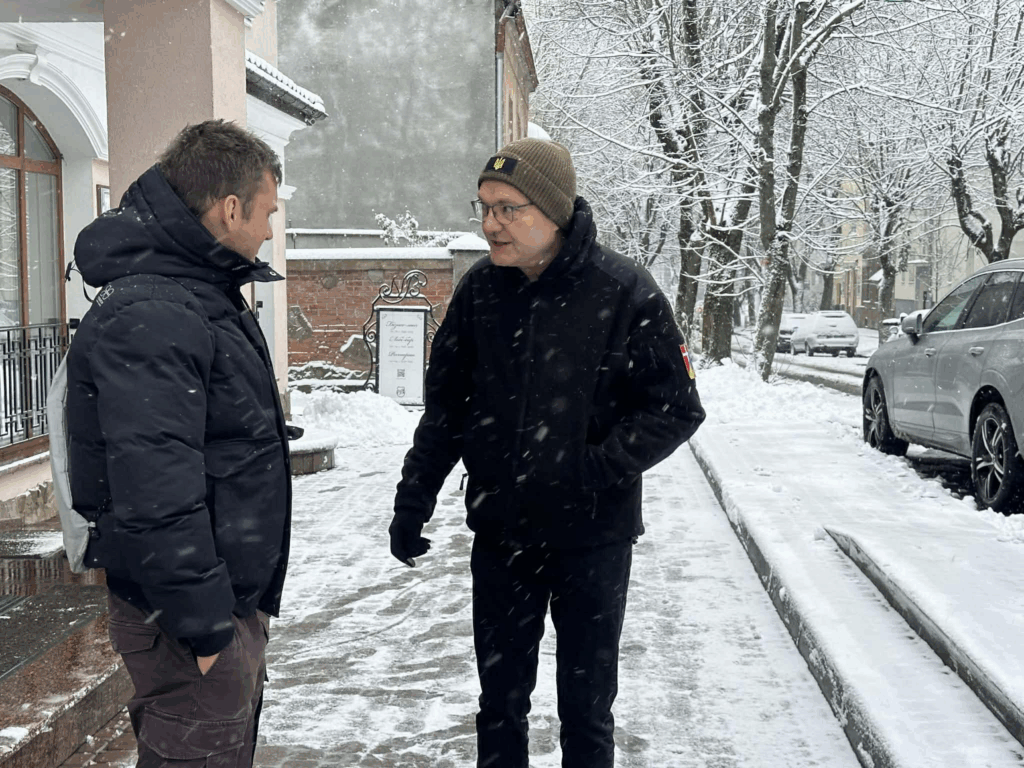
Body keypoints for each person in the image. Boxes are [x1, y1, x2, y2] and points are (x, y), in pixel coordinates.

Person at [389, 138, 706, 768]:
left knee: (586, 713)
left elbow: (676, 408)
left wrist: (591, 469)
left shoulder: (625, 291)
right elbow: (446, 410)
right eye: (484, 208)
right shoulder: (480, 292)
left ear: (554, 212)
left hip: (593, 541)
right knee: (499, 706)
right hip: (502, 537)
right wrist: (413, 498)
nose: (490, 225)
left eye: (508, 209)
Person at [67, 120, 291, 768]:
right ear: (230, 209)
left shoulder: (193, 294)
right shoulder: (158, 310)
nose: (269, 231)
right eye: (267, 212)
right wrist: (205, 629)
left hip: (211, 603)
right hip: (186, 619)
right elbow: (155, 488)